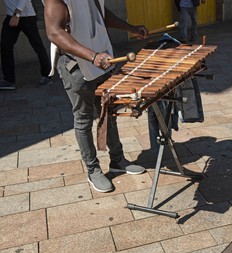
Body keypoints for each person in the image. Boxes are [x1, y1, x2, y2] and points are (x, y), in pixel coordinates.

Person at [42, 0, 149, 193]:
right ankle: (93, 170)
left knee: (108, 111)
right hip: (76, 64)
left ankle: (117, 160)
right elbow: (54, 32)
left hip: (102, 59)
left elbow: (100, 13)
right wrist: (92, 56)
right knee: (83, 119)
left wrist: (130, 28)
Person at [0, 0, 51, 90]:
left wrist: (16, 15)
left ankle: (47, 75)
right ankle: (9, 80)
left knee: (37, 46)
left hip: (26, 16)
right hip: (11, 15)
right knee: (5, 45)